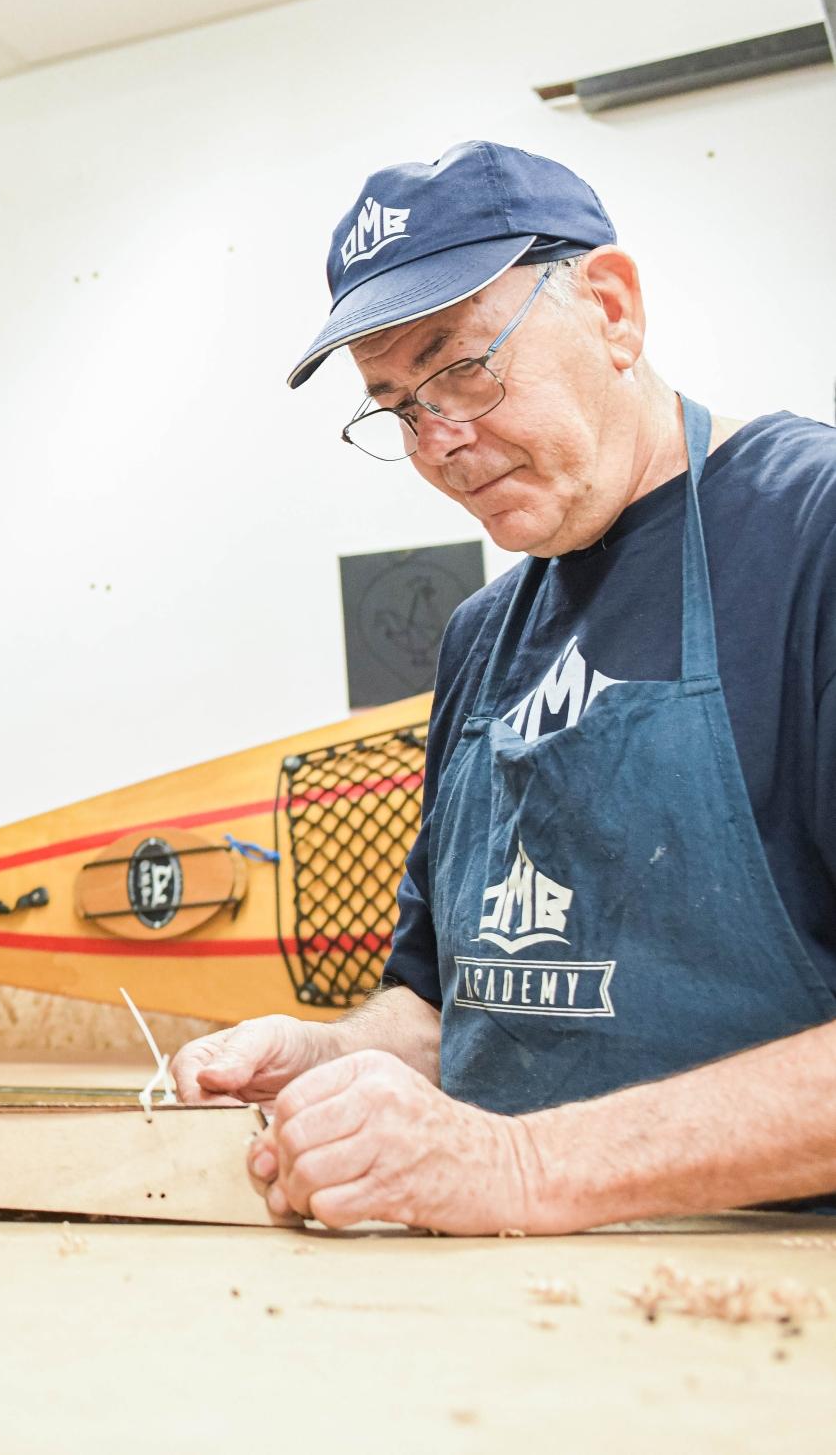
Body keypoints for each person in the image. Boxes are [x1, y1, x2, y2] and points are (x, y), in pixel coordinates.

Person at [173, 140, 836, 1231]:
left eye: (462, 367)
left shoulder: (806, 531)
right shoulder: (480, 638)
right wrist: (330, 1056)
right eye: (394, 406)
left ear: (613, 309)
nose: (439, 441)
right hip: (507, 1297)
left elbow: (505, 1161)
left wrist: (521, 1167)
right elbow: (450, 1005)